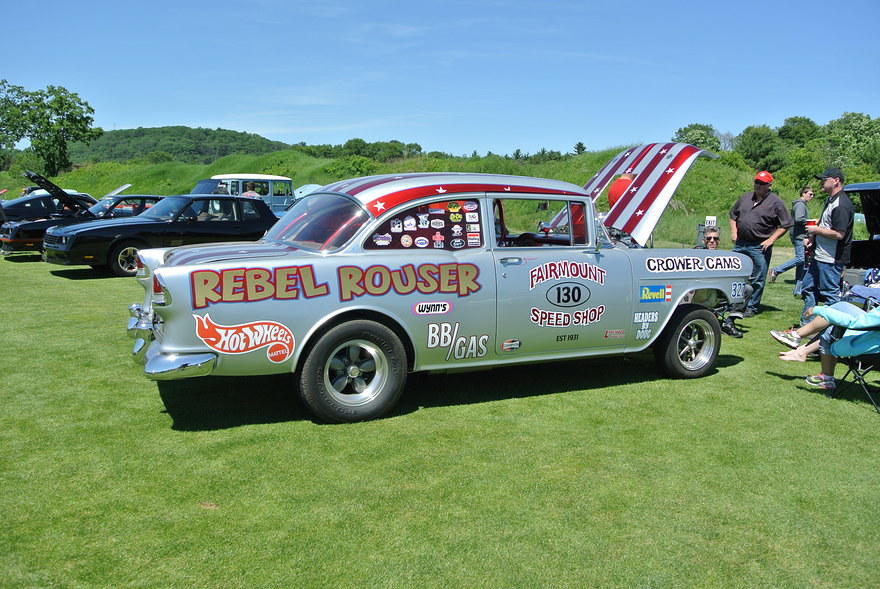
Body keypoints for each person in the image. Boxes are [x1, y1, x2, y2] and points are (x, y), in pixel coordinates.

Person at [770, 301, 880, 390]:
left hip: (869, 350)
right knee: (840, 307)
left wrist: (819, 310)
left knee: (832, 328)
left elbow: (854, 323)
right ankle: (798, 343)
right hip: (873, 343)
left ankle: (826, 378)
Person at [729, 171, 793, 317]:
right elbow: (733, 216)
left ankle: (751, 307)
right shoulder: (745, 198)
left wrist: (771, 239)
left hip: (759, 246)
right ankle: (733, 304)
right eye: (757, 182)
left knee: (757, 278)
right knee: (736, 274)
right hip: (740, 243)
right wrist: (734, 231)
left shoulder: (776, 202)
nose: (758, 185)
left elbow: (786, 224)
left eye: (762, 183)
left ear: (769, 185)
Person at [798, 168, 854, 325]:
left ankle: (829, 332)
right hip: (820, 255)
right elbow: (828, 225)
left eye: (824, 179)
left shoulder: (841, 204)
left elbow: (839, 234)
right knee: (808, 288)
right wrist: (813, 238)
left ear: (836, 180)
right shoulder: (830, 200)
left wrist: (816, 230)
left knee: (830, 296)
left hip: (831, 258)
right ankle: (807, 326)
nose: (821, 182)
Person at [769, 186, 815, 294]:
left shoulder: (801, 204)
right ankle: (776, 270)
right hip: (799, 236)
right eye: (810, 194)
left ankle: (798, 289)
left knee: (802, 263)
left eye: (813, 195)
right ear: (803, 193)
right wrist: (810, 221)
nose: (812, 196)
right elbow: (799, 219)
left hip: (800, 235)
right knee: (801, 259)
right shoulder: (800, 205)